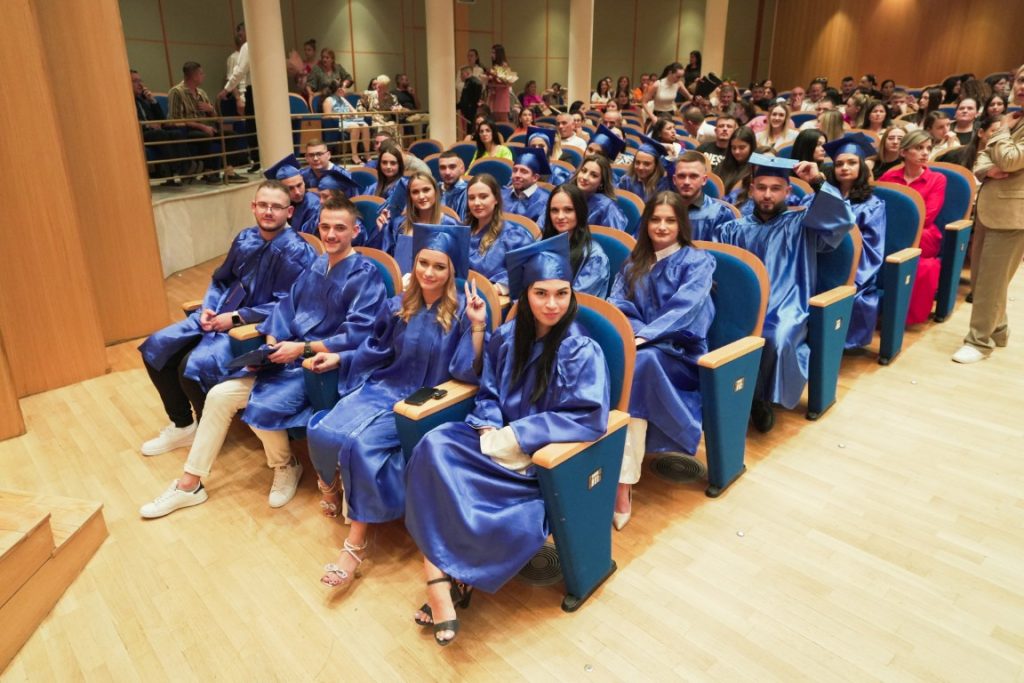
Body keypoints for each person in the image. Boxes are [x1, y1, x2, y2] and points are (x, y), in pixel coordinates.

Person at [405, 232, 609, 645]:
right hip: (494, 441)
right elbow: (487, 391)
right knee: (433, 445)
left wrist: (519, 434)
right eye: (541, 293)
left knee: (490, 510)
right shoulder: (507, 337)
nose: (552, 304)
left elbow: (589, 416)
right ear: (525, 294)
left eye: (562, 293)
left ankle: (440, 583)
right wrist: (489, 425)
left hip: (536, 463)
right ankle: (443, 577)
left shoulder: (579, 348)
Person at [139, 195, 386, 518]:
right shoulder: (316, 265)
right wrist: (271, 342)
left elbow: (359, 334)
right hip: (287, 356)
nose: (330, 234)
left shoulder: (365, 275)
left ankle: (285, 465)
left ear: (355, 231)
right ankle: (190, 484)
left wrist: (301, 349)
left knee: (261, 404)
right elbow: (285, 308)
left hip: (321, 366)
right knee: (219, 395)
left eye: (340, 228)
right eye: (325, 226)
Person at [308, 223, 487, 588]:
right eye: (423, 263)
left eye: (439, 266)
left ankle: (355, 545)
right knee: (324, 430)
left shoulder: (462, 314)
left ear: (452, 270)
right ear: (414, 262)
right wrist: (341, 358)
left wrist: (479, 327)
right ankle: (330, 484)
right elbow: (376, 350)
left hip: (424, 404)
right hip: (384, 387)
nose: (429, 272)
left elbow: (467, 371)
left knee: (360, 446)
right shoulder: (399, 305)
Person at [136, 181, 317, 458]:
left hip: (255, 328)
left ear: (289, 211)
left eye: (276, 207)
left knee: (189, 366)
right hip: (219, 314)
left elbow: (289, 305)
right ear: (253, 207)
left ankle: (206, 431)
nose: (268, 212)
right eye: (263, 205)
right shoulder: (245, 238)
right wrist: (209, 308)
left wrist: (236, 318)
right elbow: (221, 279)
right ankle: (183, 425)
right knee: (156, 348)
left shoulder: (298, 251)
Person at [713, 154, 855, 432]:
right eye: (761, 187)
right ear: (751, 190)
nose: (767, 195)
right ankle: (724, 395)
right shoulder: (731, 229)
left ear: (788, 191)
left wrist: (817, 181)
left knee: (776, 337)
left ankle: (761, 399)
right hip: (742, 306)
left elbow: (842, 220)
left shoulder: (803, 224)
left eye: (776, 188)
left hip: (788, 305)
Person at [607, 191, 715, 529]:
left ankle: (622, 483)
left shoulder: (698, 261)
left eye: (670, 220)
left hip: (680, 354)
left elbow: (686, 310)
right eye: (655, 219)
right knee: (618, 360)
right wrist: (636, 335)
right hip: (640, 347)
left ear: (681, 224)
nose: (662, 226)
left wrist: (646, 336)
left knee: (640, 365)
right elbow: (618, 304)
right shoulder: (633, 261)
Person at [952, 65, 1024, 363]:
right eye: (1020, 80)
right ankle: (999, 330)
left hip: (1012, 214)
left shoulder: (1009, 122)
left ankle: (979, 342)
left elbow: (1009, 159)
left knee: (990, 281)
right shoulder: (1017, 120)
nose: (1022, 87)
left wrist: (1002, 129)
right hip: (990, 207)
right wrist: (987, 169)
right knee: (985, 277)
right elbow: (983, 154)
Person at [823, 133, 887, 350]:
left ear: (862, 166)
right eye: (839, 164)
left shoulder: (872, 205)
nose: (844, 168)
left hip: (854, 270)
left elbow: (872, 248)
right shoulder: (823, 197)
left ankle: (835, 345)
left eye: (851, 162)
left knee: (854, 298)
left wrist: (853, 278)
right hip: (820, 265)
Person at [878, 130, 947, 325]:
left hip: (922, 234)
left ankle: (901, 315)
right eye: (918, 148)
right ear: (903, 152)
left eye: (928, 148)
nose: (925, 153)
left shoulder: (937, 179)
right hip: (890, 231)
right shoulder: (889, 176)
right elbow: (878, 208)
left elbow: (927, 216)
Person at [168, 61, 245, 184]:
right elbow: (176, 119)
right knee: (204, 136)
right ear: (194, 76)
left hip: (208, 127)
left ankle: (229, 171)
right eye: (201, 73)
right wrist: (202, 127)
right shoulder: (176, 92)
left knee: (231, 136)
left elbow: (215, 117)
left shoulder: (201, 93)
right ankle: (209, 172)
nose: (203, 76)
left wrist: (211, 109)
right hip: (189, 130)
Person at [376, 172, 459, 273]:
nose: (421, 196)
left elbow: (457, 269)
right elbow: (386, 262)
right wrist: (381, 231)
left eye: (426, 190)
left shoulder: (451, 225)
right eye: (415, 192)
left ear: (436, 191)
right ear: (410, 197)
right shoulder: (399, 224)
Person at [465, 174, 536, 292]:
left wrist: (498, 288)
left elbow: (526, 270)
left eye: (483, 197)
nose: (476, 203)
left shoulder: (512, 235)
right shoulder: (464, 232)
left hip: (493, 297)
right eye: (471, 198)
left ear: (496, 199)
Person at [541, 184, 610, 296]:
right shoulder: (542, 245)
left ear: (580, 212)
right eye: (554, 210)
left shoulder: (595, 257)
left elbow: (577, 300)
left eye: (568, 210)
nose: (560, 216)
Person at [131, 69, 186, 184]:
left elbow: (161, 118)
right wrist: (148, 125)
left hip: (153, 132)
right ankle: (176, 167)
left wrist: (152, 101)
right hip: (139, 133)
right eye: (135, 81)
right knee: (160, 134)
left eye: (140, 81)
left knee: (175, 132)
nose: (140, 84)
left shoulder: (143, 100)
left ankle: (184, 166)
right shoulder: (126, 102)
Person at [217, 22, 258, 172]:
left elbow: (239, 72)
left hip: (253, 91)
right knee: (255, 127)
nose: (239, 35)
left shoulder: (248, 47)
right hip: (259, 91)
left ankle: (258, 160)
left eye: (241, 32)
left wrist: (226, 90)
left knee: (252, 127)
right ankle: (259, 159)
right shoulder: (263, 45)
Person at [671, 151, 737, 240]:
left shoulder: (720, 214)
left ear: (704, 180)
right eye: (681, 176)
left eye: (693, 176)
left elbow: (724, 248)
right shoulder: (662, 210)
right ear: (674, 180)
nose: (686, 182)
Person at [264, 154, 321, 235]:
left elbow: (306, 237)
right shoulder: (279, 204)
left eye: (299, 185)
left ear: (304, 182)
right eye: (290, 188)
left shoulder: (313, 204)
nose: (297, 192)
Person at [570, 154, 628, 231]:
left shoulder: (608, 207)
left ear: (601, 182)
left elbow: (611, 237)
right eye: (583, 171)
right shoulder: (567, 196)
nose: (585, 177)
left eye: (594, 175)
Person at [321, 81, 370, 164]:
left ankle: (367, 154)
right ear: (339, 89)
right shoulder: (328, 100)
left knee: (365, 126)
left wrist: (353, 114)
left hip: (349, 120)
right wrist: (343, 116)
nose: (346, 90)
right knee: (355, 127)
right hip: (338, 122)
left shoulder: (343, 99)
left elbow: (354, 111)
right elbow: (327, 116)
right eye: (345, 88)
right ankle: (354, 155)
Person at [503, 147, 553, 225]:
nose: (517, 175)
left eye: (524, 171)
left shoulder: (545, 201)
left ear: (535, 177)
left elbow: (538, 230)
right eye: (515, 170)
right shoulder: (502, 195)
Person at [617, 134, 672, 202]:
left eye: (647, 164)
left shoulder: (663, 184)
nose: (640, 167)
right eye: (637, 162)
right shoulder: (626, 181)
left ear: (656, 165)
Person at [367, 142, 409, 217]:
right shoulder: (372, 188)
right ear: (379, 165)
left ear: (399, 165)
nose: (388, 166)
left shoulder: (405, 186)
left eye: (393, 163)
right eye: (384, 162)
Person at [719, 126, 756, 204]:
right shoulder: (723, 164)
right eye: (733, 148)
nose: (737, 152)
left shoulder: (754, 170)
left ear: (751, 147)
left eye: (742, 148)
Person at [485, 44, 515, 123]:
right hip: (494, 95)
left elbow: (508, 83)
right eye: (491, 52)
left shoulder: (504, 65)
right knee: (494, 120)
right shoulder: (494, 66)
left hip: (502, 96)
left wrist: (494, 79)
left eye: (493, 53)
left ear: (499, 54)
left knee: (502, 120)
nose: (491, 55)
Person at [437, 151, 469, 221]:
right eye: (443, 168)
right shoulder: (434, 190)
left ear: (462, 169)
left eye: (452, 167)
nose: (447, 172)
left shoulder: (468, 192)